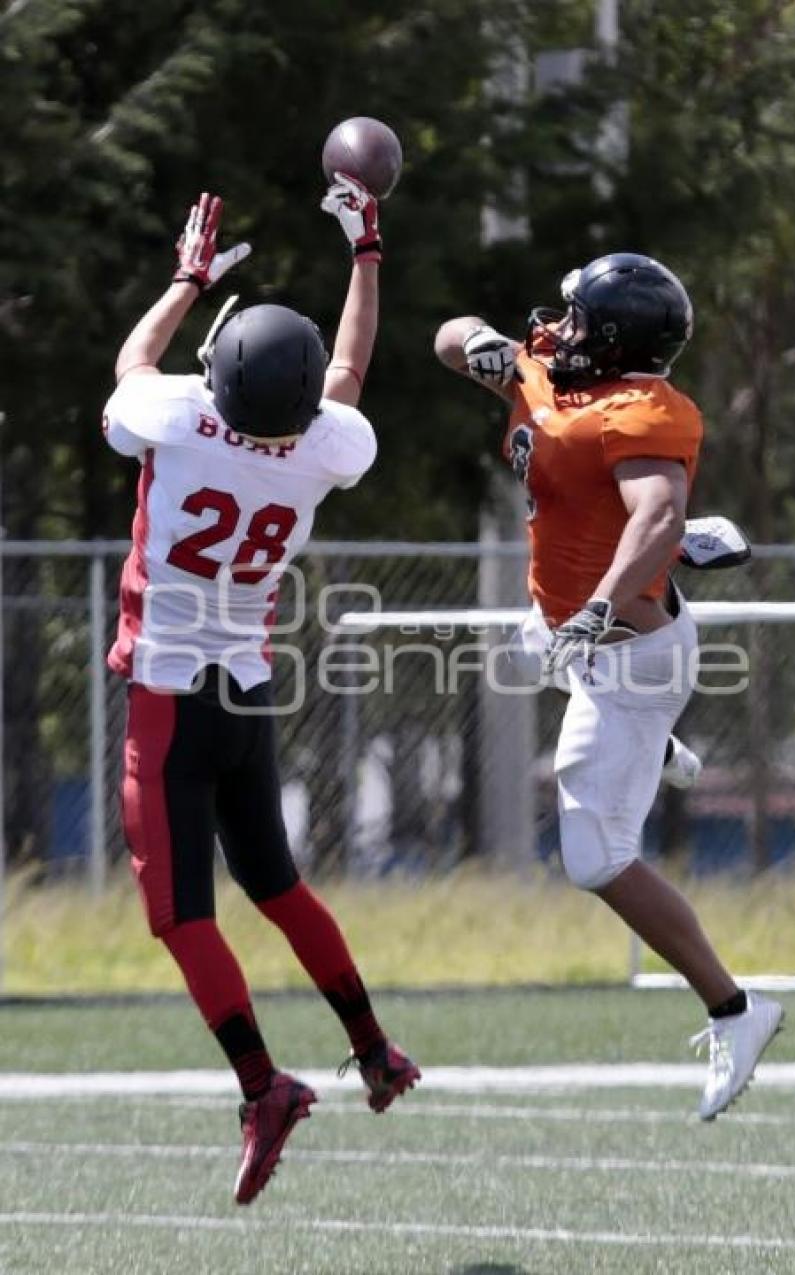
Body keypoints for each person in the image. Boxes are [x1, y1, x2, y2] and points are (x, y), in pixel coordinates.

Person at [103, 182, 419, 1205]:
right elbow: (351, 370)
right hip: (246, 691)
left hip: (166, 693)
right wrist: (365, 250)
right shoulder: (324, 449)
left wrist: (187, 281)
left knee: (178, 917)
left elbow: (131, 369)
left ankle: (262, 1085)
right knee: (276, 888)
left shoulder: (177, 418)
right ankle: (372, 1049)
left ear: (223, 378)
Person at [435, 252, 783, 1119]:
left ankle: (737, 1009)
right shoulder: (548, 377)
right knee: (523, 652)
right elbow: (446, 338)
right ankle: (652, 748)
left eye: (580, 319)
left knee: (593, 858)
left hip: (634, 658)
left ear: (617, 337)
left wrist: (600, 604)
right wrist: (482, 346)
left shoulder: (643, 411)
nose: (561, 329)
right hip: (570, 628)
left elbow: (656, 510)